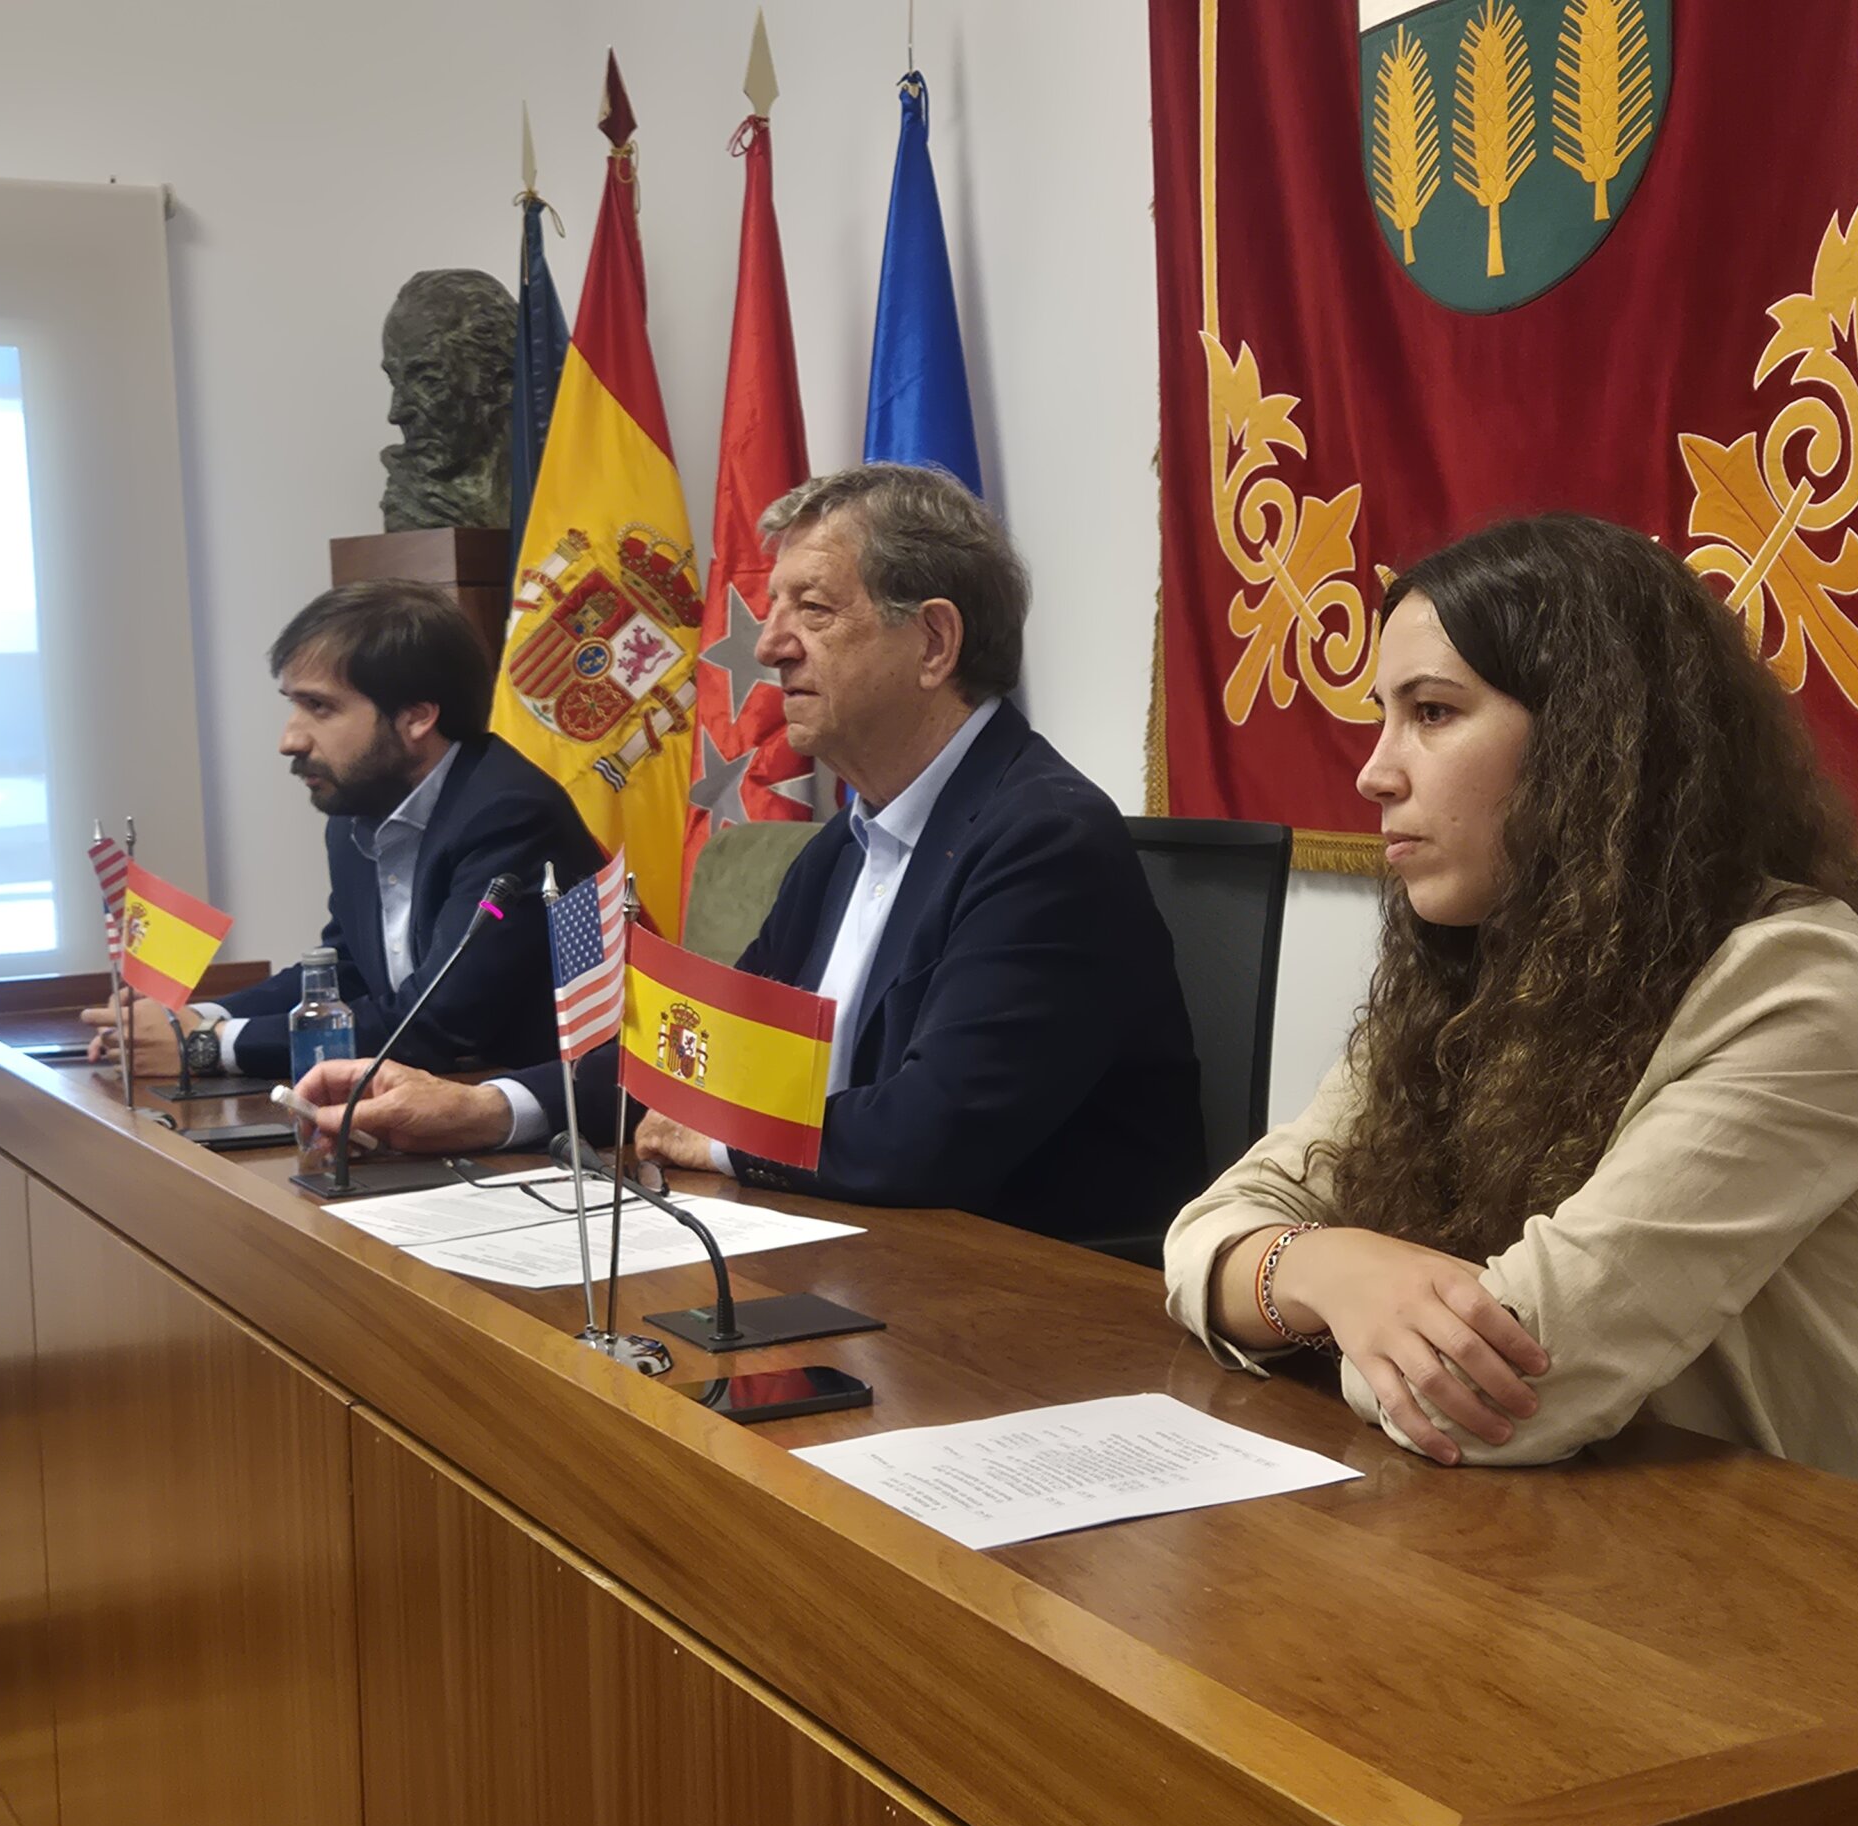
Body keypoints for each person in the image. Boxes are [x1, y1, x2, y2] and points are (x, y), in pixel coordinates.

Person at [1166, 514, 1858, 1535]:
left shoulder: (1800, 987)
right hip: (1637, 1536)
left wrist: (1320, 1298)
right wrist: (1331, 1270)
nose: (1376, 770)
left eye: (1431, 712)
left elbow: (1513, 1392)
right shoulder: (1478, 968)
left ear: (1590, 742)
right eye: (1384, 716)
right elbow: (1203, 1236)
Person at [298, 463, 1205, 1246]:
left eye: (811, 609)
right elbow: (695, 1055)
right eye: (773, 610)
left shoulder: (1040, 839)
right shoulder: (844, 848)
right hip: (845, 1244)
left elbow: (932, 1135)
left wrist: (724, 1142)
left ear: (933, 642)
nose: (767, 646)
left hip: (1014, 1301)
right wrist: (488, 1107)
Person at [86, 581, 597, 1078]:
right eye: (293, 703)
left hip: (549, 1127)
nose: (290, 739)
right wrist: (198, 1019)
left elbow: (438, 1024)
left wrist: (206, 1047)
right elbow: (346, 972)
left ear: (416, 717)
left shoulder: (509, 815)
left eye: (319, 707)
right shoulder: (362, 812)